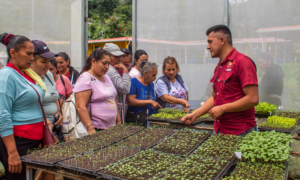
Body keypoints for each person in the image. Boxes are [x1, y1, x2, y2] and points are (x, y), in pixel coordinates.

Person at [182, 25, 259, 136]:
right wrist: (194, 115)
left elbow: (253, 98)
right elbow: (214, 97)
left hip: (240, 131)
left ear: (222, 40)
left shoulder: (242, 62)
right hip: (220, 129)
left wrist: (223, 108)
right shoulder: (219, 67)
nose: (208, 47)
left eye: (210, 42)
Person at [0, 33, 45, 180]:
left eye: (33, 54)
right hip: (18, 142)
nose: (32, 58)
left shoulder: (25, 73)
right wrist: (12, 153)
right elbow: (3, 114)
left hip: (30, 141)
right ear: (13, 52)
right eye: (29, 54)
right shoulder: (6, 76)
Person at [74, 48, 121, 135]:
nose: (107, 67)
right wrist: (90, 128)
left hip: (111, 127)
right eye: (104, 63)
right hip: (96, 129)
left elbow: (113, 99)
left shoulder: (106, 77)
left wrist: (118, 122)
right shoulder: (85, 79)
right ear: (93, 61)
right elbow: (80, 106)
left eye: (108, 64)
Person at [126, 61, 161, 126]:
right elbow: (131, 101)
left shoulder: (151, 84)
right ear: (144, 74)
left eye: (155, 75)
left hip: (150, 119)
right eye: (153, 75)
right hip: (137, 119)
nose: (155, 78)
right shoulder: (134, 82)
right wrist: (150, 102)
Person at [104, 43, 131, 123]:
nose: (119, 59)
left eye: (119, 56)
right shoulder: (110, 70)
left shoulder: (111, 68)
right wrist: (125, 71)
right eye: (116, 56)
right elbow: (125, 89)